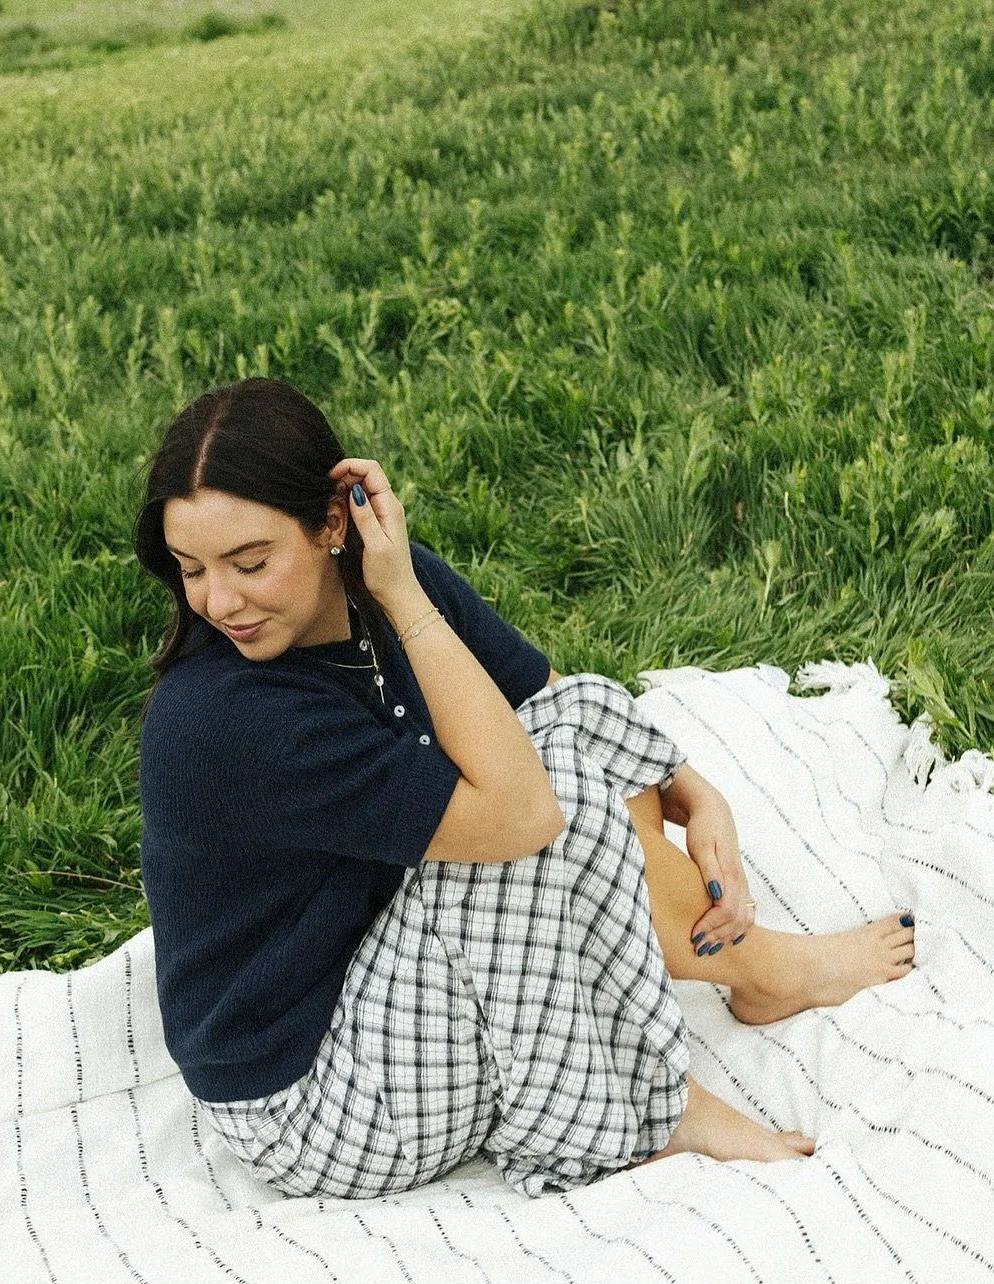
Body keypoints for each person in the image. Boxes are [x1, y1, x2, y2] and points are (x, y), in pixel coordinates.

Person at [135, 378, 916, 1200]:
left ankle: (748, 976)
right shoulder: (224, 722)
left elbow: (557, 703)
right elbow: (525, 813)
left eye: (250, 563)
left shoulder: (390, 585)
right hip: (320, 1105)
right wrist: (403, 596)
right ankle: (658, 1101)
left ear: (335, 523)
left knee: (573, 721)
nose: (220, 601)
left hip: (388, 976)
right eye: (192, 570)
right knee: (548, 804)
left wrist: (697, 795)